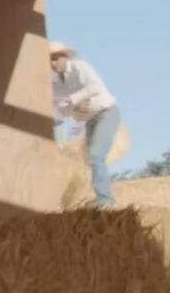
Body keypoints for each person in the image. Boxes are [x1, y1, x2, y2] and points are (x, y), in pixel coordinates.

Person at [49, 41, 119, 204]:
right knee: (91, 158)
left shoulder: (80, 67)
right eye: (50, 60)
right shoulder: (56, 83)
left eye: (55, 58)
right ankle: (101, 197)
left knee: (95, 155)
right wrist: (74, 105)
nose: (53, 63)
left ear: (65, 57)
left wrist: (73, 100)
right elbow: (62, 109)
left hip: (106, 113)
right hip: (90, 120)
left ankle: (105, 199)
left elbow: (95, 86)